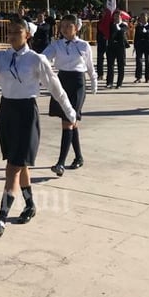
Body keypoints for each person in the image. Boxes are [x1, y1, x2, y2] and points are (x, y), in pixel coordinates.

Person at [0, 17, 77, 237]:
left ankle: (1, 216)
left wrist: (69, 110)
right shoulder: (1, 56)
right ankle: (29, 205)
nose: (12, 36)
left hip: (26, 112)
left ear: (27, 35)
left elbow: (55, 87)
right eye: (10, 32)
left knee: (13, 166)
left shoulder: (36, 60)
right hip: (6, 111)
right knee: (19, 163)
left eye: (17, 32)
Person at [42, 14, 96, 176]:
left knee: (67, 122)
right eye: (62, 26)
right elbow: (43, 58)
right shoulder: (56, 45)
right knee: (72, 123)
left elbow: (89, 66)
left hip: (78, 84)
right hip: (62, 81)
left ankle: (60, 163)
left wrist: (94, 81)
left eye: (68, 26)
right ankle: (78, 157)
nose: (64, 29)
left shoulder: (84, 45)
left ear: (76, 27)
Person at [105, 10, 129, 89]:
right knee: (110, 66)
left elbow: (122, 32)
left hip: (120, 47)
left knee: (120, 66)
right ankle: (109, 82)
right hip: (111, 47)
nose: (116, 18)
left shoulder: (124, 25)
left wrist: (117, 26)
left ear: (120, 17)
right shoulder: (111, 25)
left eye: (118, 16)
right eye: (115, 16)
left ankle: (119, 83)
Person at [132, 13, 149, 83]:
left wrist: (146, 32)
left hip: (148, 46)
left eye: (144, 17)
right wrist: (135, 46)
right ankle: (138, 77)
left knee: (148, 62)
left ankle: (147, 77)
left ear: (147, 18)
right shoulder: (138, 27)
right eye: (142, 18)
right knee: (139, 62)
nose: (143, 19)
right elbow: (136, 37)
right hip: (139, 46)